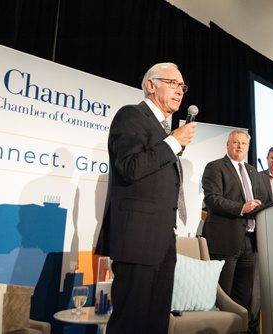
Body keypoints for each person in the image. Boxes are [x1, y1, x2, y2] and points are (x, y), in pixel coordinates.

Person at [95, 62, 196, 333]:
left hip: (163, 242)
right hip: (137, 240)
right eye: (173, 83)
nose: (180, 91)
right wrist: (174, 142)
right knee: (130, 323)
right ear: (151, 86)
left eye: (182, 86)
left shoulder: (163, 130)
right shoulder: (131, 116)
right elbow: (130, 167)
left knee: (155, 323)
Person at [201, 129, 264, 333]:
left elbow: (261, 201)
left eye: (243, 144)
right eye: (235, 142)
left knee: (242, 298)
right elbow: (212, 199)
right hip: (225, 240)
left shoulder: (253, 171)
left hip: (250, 241)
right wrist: (241, 208)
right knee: (224, 296)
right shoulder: (215, 167)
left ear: (248, 147)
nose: (239, 146)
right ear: (227, 145)